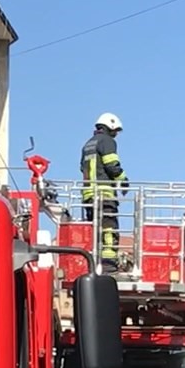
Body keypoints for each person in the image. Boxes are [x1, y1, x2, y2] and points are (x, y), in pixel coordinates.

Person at [79, 112, 130, 266]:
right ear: (111, 127)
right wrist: (124, 180)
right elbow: (111, 165)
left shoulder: (88, 144)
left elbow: (83, 168)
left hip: (88, 194)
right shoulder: (107, 141)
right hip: (104, 193)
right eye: (116, 131)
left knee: (94, 228)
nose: (116, 135)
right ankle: (108, 262)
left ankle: (94, 261)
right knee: (109, 227)